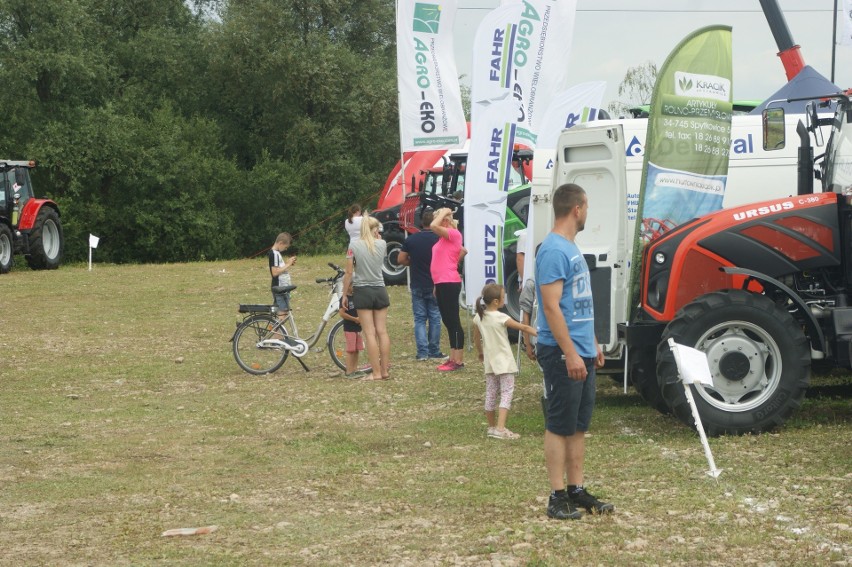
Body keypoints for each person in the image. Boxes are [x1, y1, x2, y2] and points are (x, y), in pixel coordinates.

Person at [535, 183, 614, 520]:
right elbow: (551, 308)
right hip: (560, 351)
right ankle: (556, 496)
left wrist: (592, 342)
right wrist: (569, 352)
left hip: (581, 348)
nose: (587, 213)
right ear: (578, 208)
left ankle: (576, 489)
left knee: (578, 424)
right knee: (559, 423)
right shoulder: (553, 250)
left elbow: (578, 302)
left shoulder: (570, 247)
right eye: (587, 206)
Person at [472, 283, 537, 440]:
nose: (504, 299)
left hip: (490, 363)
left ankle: (492, 427)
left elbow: (476, 339)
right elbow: (524, 328)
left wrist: (480, 353)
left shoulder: (478, 317)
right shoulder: (502, 317)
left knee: (491, 393)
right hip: (504, 362)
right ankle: (501, 428)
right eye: (503, 296)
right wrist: (543, 332)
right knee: (507, 393)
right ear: (496, 301)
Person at [343, 214, 391, 381]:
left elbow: (349, 272)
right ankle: (384, 371)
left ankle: (376, 373)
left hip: (363, 290)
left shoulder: (353, 246)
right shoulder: (383, 244)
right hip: (380, 289)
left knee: (369, 333)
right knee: (382, 332)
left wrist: (344, 293)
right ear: (375, 230)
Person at [398, 209, 445, 361]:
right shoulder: (439, 239)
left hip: (417, 282)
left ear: (421, 222)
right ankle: (434, 350)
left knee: (419, 318)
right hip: (435, 283)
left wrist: (412, 262)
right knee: (435, 317)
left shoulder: (412, 239)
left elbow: (400, 259)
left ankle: (422, 353)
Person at [430, 207, 467, 371]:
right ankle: (452, 357)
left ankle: (458, 360)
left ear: (445, 220)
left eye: (439, 218)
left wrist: (444, 212)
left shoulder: (454, 234)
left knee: (453, 321)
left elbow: (433, 226)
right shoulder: (443, 239)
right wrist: (435, 284)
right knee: (447, 321)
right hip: (441, 282)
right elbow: (461, 252)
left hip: (449, 281)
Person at [338, 282, 366, 379]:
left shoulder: (356, 297)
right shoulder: (344, 299)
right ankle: (349, 371)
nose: (354, 287)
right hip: (349, 328)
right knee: (351, 350)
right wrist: (355, 319)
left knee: (357, 349)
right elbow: (342, 313)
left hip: (358, 328)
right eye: (352, 285)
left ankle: (355, 369)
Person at [269, 232, 296, 324]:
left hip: (283, 288)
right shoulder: (274, 254)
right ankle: (277, 338)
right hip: (279, 288)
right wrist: (288, 264)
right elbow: (275, 272)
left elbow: (280, 269)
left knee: (283, 317)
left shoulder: (277, 254)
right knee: (281, 319)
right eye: (285, 247)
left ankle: (278, 337)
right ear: (280, 243)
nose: (285, 249)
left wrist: (287, 263)